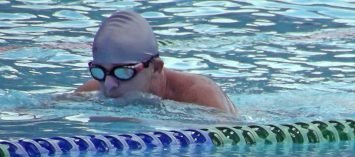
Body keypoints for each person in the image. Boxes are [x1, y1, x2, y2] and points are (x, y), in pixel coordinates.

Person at [76, 10, 237, 114]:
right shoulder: (94, 88)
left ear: (156, 68)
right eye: (99, 71)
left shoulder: (200, 96)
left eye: (124, 71)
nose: (109, 85)